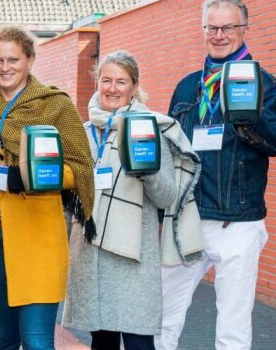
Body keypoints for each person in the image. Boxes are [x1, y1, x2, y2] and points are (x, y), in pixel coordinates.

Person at [158, 0, 276, 350]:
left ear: (244, 29)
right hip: (187, 219)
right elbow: (171, 152)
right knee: (162, 318)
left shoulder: (264, 84)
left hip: (238, 224)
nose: (219, 35)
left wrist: (249, 116)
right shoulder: (187, 86)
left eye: (227, 27)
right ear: (203, 29)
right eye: (212, 27)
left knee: (232, 328)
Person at [0, 26, 94, 350]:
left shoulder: (56, 106)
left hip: (39, 238)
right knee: (3, 339)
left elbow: (80, 168)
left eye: (13, 59)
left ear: (30, 60)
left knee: (36, 341)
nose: (5, 67)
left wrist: (34, 175)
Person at [61, 51, 203, 350]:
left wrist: (147, 170)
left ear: (134, 87)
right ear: (97, 83)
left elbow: (166, 195)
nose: (112, 89)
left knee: (140, 343)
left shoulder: (148, 129)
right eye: (106, 80)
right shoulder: (83, 133)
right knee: (102, 342)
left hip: (133, 257)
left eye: (121, 82)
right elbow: (69, 196)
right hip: (91, 253)